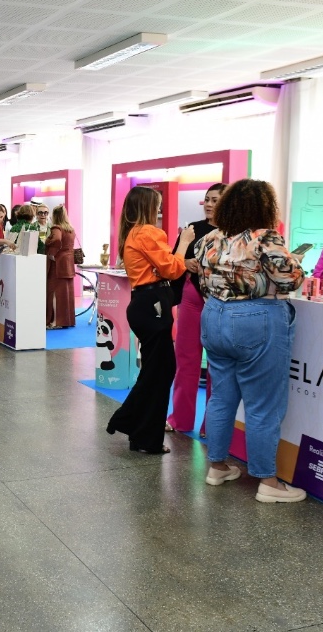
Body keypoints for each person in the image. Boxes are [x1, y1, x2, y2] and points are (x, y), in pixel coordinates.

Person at [196, 178, 306, 503]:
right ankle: (268, 482)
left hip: (214, 316)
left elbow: (202, 279)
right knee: (262, 405)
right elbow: (290, 278)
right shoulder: (266, 238)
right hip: (256, 319)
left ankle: (217, 466)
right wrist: (296, 264)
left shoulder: (210, 239)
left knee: (221, 397)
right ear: (265, 208)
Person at [106, 187, 193, 453]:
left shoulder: (133, 232)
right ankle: (134, 426)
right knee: (160, 372)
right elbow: (172, 267)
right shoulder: (148, 232)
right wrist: (185, 242)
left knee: (156, 371)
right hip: (152, 306)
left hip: (145, 305)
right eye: (158, 205)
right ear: (148, 206)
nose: (160, 209)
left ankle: (138, 429)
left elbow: (163, 266)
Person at [167, 183, 226, 433]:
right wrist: (186, 262)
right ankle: (180, 419)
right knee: (186, 360)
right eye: (207, 199)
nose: (210, 204)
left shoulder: (237, 234)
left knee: (219, 365)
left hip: (221, 302)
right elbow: (174, 261)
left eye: (215, 200)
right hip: (191, 299)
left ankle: (210, 425)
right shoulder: (193, 229)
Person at [45, 204, 76, 329]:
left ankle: (55, 321)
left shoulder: (56, 228)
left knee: (54, 292)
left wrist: (52, 253)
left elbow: (57, 240)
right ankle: (66, 320)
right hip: (68, 262)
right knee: (66, 292)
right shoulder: (70, 229)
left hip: (57, 263)